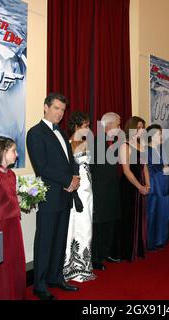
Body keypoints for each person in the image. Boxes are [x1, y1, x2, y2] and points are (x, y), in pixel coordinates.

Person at [26, 93, 80, 300]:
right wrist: (68, 181)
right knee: (45, 241)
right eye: (56, 108)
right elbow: (42, 167)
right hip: (50, 196)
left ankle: (56, 277)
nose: (60, 113)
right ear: (45, 107)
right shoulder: (35, 133)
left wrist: (74, 176)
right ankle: (39, 285)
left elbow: (70, 160)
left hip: (65, 195)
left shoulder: (61, 133)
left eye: (62, 110)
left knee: (59, 240)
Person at [0, 136, 26, 300]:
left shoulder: (11, 175)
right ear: (3, 152)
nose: (16, 154)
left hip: (14, 223)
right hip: (1, 227)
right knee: (3, 265)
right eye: (14, 151)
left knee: (15, 262)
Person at [63, 111, 96, 282]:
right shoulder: (69, 144)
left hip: (88, 189)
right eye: (85, 126)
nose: (88, 129)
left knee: (86, 226)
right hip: (78, 189)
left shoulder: (86, 143)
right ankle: (72, 267)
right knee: (76, 225)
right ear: (76, 127)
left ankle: (84, 265)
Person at [91, 112, 123, 270]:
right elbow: (90, 170)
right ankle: (95, 258)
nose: (120, 128)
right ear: (109, 125)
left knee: (110, 224)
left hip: (112, 191)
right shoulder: (95, 142)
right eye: (118, 125)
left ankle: (106, 253)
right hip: (99, 192)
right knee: (99, 227)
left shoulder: (114, 143)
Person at [119, 116, 150, 261]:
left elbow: (145, 168)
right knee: (129, 218)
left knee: (141, 217)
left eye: (143, 127)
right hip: (129, 186)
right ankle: (127, 251)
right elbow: (126, 171)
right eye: (139, 127)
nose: (141, 130)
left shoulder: (141, 145)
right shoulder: (124, 145)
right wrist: (139, 186)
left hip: (141, 184)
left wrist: (148, 184)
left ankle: (138, 248)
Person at [146, 124, 169, 251]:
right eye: (159, 134)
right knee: (152, 213)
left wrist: (165, 169)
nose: (161, 136)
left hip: (164, 184)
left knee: (163, 212)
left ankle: (160, 239)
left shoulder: (161, 149)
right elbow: (148, 169)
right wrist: (162, 169)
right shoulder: (146, 150)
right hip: (154, 186)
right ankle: (151, 242)